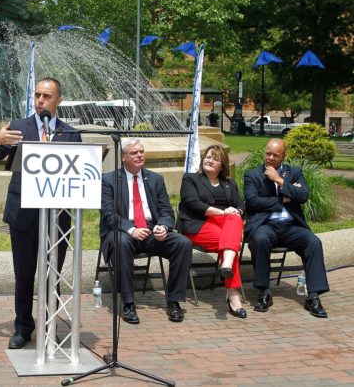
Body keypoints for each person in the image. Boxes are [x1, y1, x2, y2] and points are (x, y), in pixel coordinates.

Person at [0, 77, 82, 349]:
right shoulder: (18, 127)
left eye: (46, 96)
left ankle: (50, 327)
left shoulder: (70, 134)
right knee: (24, 275)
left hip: (58, 218)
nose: (40, 101)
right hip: (23, 214)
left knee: (53, 276)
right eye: (37, 95)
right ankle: (23, 327)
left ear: (58, 100)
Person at [100, 138, 192, 324]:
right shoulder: (109, 180)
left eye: (142, 151)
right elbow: (108, 215)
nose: (140, 155)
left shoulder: (155, 179)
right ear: (124, 157)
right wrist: (131, 229)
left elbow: (166, 210)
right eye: (134, 153)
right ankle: (128, 303)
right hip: (122, 230)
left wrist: (164, 227)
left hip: (151, 231)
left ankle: (174, 301)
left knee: (183, 243)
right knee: (122, 243)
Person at [243, 138, 329, 318]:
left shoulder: (294, 172)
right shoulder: (252, 175)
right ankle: (264, 291)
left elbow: (303, 195)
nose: (271, 158)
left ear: (284, 156)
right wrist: (285, 198)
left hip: (291, 226)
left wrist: (280, 181)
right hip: (265, 224)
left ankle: (313, 296)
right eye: (268, 153)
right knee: (260, 239)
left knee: (313, 242)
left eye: (276, 155)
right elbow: (252, 201)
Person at [177, 144, 247, 318]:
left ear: (222, 165)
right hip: (197, 224)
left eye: (215, 158)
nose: (209, 160)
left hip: (225, 225)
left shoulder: (229, 184)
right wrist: (224, 212)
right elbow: (192, 203)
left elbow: (240, 205)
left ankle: (226, 265)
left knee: (235, 219)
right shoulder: (191, 179)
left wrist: (235, 211)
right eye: (208, 157)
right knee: (230, 246)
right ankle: (233, 296)